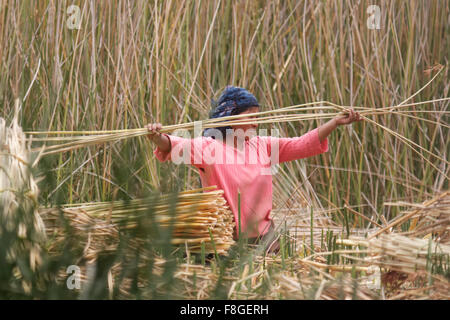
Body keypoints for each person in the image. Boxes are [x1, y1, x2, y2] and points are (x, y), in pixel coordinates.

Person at [147, 86, 362, 254]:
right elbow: (174, 145)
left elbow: (301, 144)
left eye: (258, 117)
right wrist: (157, 136)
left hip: (265, 241)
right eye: (251, 117)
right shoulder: (208, 147)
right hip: (224, 242)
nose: (257, 124)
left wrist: (334, 123)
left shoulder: (263, 145)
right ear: (229, 117)